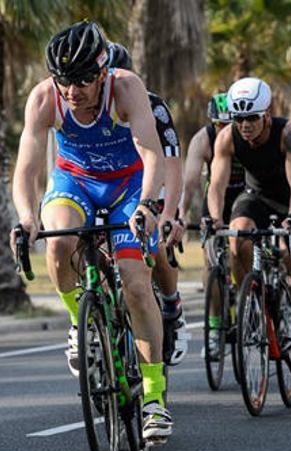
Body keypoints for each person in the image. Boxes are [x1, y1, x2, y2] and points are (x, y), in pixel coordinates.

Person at [10, 22, 172, 441]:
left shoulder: (127, 88)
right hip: (75, 181)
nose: (72, 90)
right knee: (58, 242)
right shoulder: (45, 97)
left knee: (136, 284)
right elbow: (26, 169)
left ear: (103, 72)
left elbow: (152, 153)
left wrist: (148, 206)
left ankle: (154, 396)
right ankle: (77, 325)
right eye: (64, 80)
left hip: (127, 185)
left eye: (83, 79)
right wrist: (27, 218)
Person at [206, 76, 291, 373]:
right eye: (239, 118)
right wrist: (216, 217)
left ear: (266, 114)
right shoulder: (227, 138)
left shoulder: (287, 134)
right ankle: (253, 302)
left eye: (252, 118)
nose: (245, 126)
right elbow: (216, 184)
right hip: (256, 196)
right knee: (238, 235)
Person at [106, 42, 189, 366]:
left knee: (157, 245)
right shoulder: (87, 106)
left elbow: (171, 163)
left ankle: (171, 306)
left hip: (150, 182)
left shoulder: (152, 106)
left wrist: (167, 212)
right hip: (111, 184)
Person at [183, 93, 248, 355]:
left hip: (247, 195)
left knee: (244, 250)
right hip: (217, 198)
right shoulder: (202, 139)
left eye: (228, 125)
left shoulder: (247, 136)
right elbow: (189, 183)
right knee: (212, 265)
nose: (224, 131)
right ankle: (215, 328)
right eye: (219, 126)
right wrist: (180, 215)